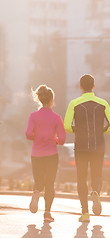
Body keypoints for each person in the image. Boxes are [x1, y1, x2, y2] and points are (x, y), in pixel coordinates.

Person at [64, 74, 110, 222]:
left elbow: (67, 126)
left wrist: (76, 130)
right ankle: (95, 192)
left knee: (81, 179)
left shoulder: (74, 103)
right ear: (94, 86)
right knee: (97, 174)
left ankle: (85, 213)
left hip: (80, 146)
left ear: (80, 87)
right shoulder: (103, 103)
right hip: (98, 145)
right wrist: (102, 131)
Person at [26, 85, 66, 222]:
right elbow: (62, 140)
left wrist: (37, 137)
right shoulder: (56, 118)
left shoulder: (33, 116)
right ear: (51, 100)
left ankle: (36, 192)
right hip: (51, 155)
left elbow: (28, 134)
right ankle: (47, 213)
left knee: (38, 181)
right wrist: (53, 139)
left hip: (36, 154)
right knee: (50, 183)